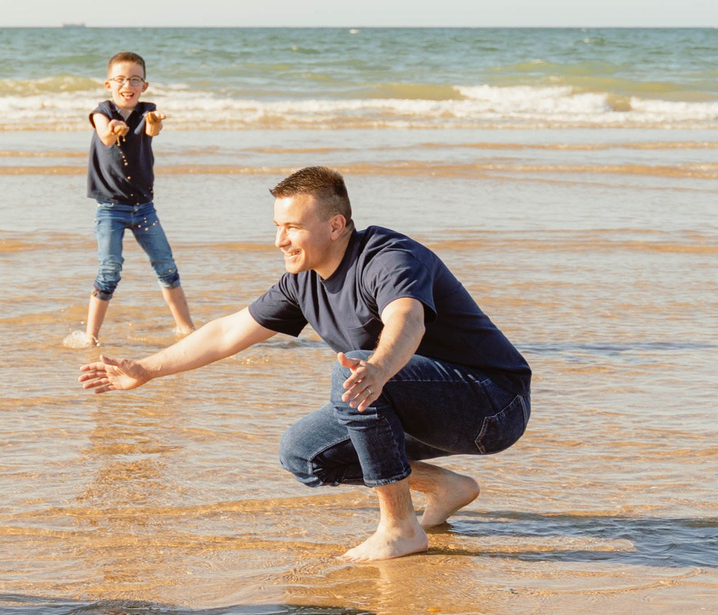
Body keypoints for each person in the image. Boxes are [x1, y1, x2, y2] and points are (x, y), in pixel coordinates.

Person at [77, 166, 532, 561]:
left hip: (493, 405)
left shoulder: (388, 258)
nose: (279, 240)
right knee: (303, 452)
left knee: (351, 369)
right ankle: (442, 487)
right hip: (417, 402)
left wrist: (378, 367)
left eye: (292, 227)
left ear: (336, 226)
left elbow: (407, 318)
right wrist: (147, 369)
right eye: (277, 226)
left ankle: (400, 529)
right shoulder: (302, 282)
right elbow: (226, 332)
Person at [61, 51, 197, 350]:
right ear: (109, 84)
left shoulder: (148, 111)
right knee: (110, 270)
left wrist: (155, 121)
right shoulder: (101, 112)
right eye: (121, 79)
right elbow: (106, 137)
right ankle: (91, 336)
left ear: (144, 86)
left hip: (144, 207)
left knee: (166, 267)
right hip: (110, 209)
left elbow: (152, 130)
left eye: (135, 79)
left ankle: (186, 329)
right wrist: (114, 128)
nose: (128, 85)